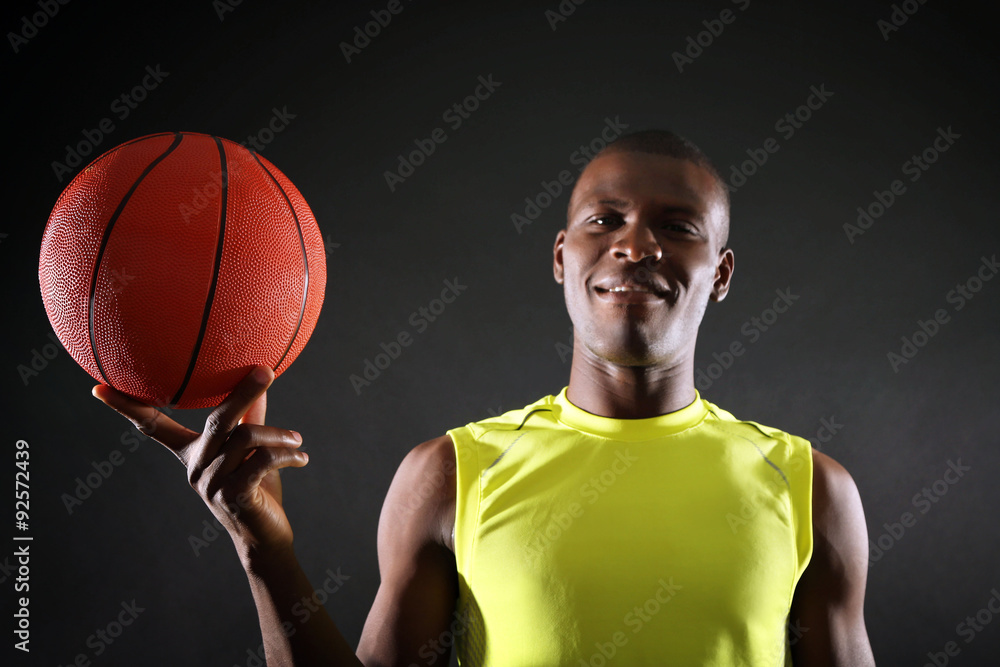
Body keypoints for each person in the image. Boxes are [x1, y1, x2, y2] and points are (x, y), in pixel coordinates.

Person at [93, 130, 877, 666]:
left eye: (678, 227)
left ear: (724, 273)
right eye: (607, 220)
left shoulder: (810, 488)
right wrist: (262, 545)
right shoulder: (452, 473)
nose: (637, 244)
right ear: (563, 258)